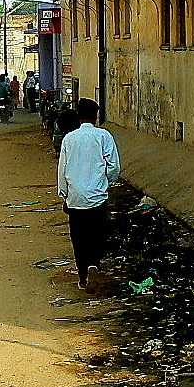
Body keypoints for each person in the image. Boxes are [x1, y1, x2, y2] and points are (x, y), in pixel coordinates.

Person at [57, 98, 120, 290]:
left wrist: (64, 195)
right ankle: (95, 264)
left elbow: (62, 169)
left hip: (75, 197)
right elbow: (114, 166)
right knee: (97, 233)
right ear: (96, 116)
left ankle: (83, 277)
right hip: (97, 196)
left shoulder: (69, 138)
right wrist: (107, 183)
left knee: (78, 237)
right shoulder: (104, 136)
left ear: (78, 116)